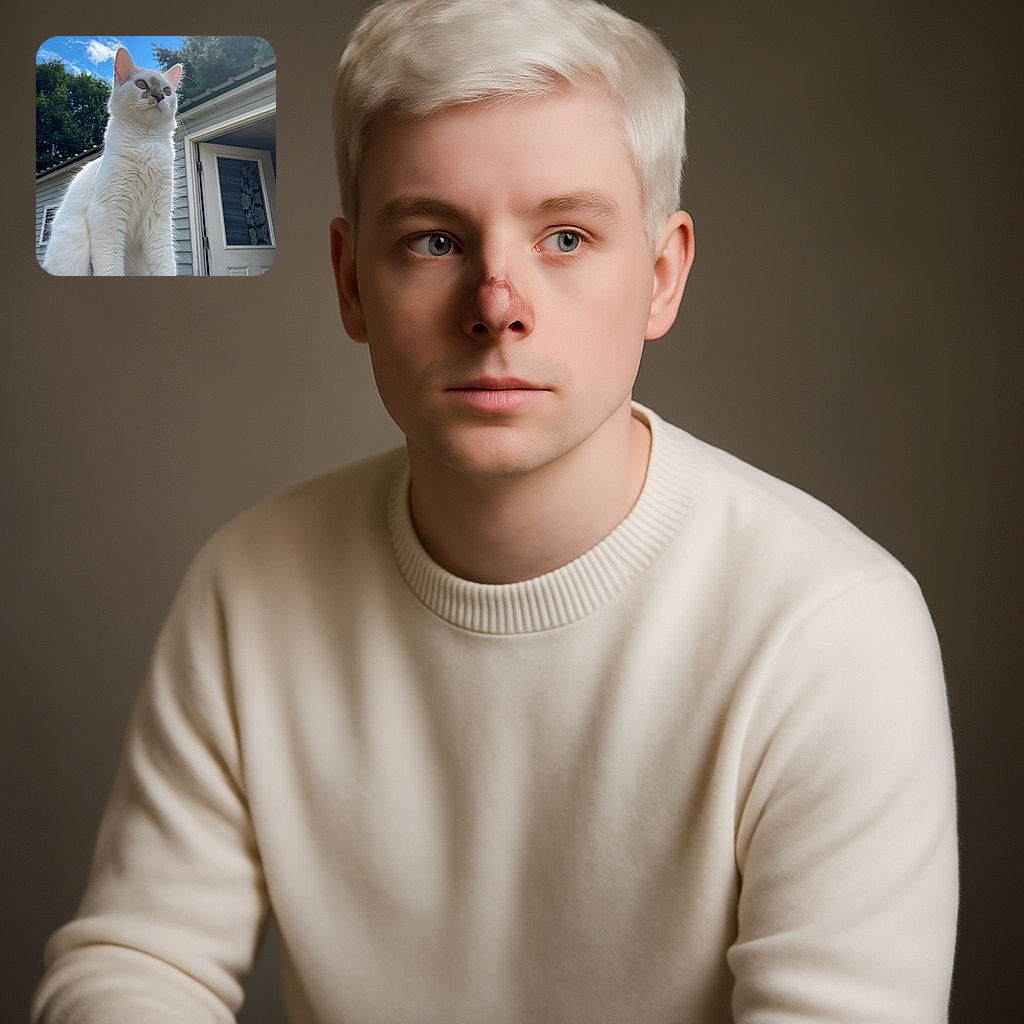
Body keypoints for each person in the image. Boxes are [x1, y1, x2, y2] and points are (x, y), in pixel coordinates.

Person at [32, 0, 958, 1021]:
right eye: (433, 240)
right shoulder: (248, 586)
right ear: (350, 283)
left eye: (565, 235)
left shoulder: (834, 631)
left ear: (660, 275)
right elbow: (137, 964)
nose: (496, 302)